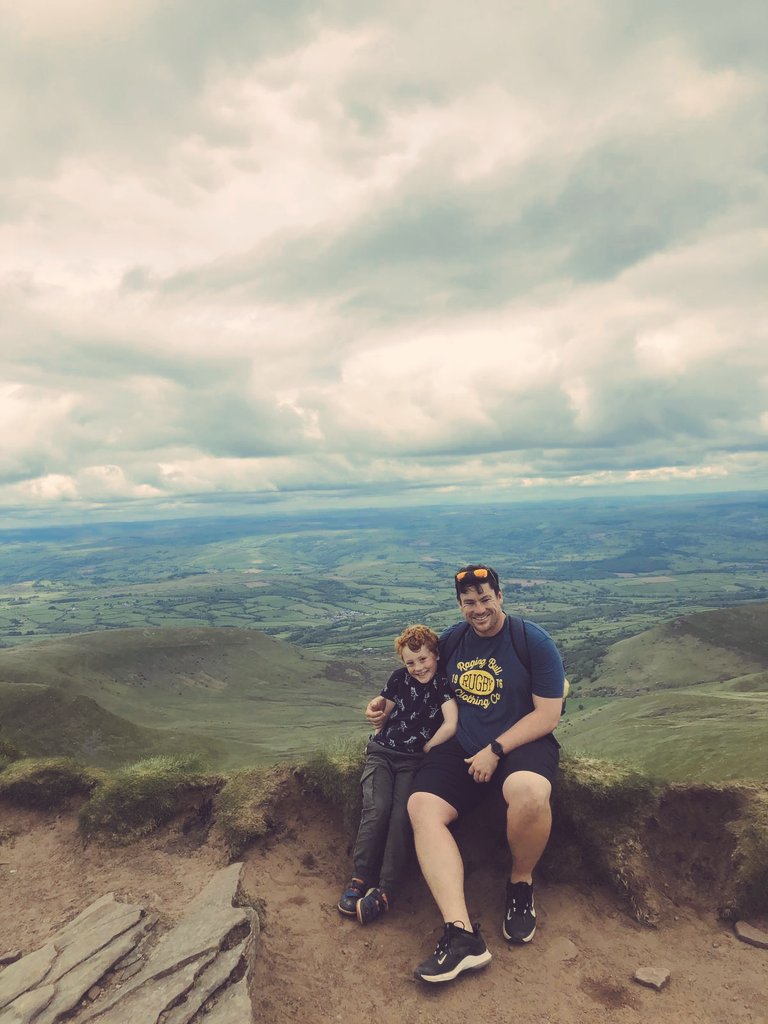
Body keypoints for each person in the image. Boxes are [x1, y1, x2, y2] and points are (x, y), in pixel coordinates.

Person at [405, 564, 565, 983]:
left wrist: (496, 749)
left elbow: (548, 714)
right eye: (469, 602)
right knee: (422, 805)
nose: (478, 609)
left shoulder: (532, 642)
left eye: (484, 598)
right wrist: (384, 704)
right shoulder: (454, 641)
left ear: (500, 596)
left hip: (522, 742)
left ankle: (520, 884)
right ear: (460, 605)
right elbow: (418, 675)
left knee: (529, 790)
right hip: (464, 744)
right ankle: (461, 937)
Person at [337, 624, 458, 925]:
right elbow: (382, 712)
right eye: (411, 662)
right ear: (403, 662)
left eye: (424, 660)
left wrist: (430, 744)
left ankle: (386, 888)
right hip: (382, 754)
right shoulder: (398, 679)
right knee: (377, 808)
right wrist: (375, 711)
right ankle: (360, 878)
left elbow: (451, 722)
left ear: (436, 656)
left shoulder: (442, 685)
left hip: (412, 761)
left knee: (402, 817)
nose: (418, 668)